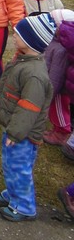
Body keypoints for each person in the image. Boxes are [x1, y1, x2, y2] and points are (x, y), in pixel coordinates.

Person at [0, 14, 56, 221]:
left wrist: (16, 133)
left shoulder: (34, 75)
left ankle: (25, 206)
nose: (14, 36)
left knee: (19, 167)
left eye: (18, 34)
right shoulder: (23, 60)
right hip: (15, 129)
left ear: (30, 41)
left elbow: (29, 108)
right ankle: (13, 194)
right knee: (10, 164)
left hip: (23, 135)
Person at [43, 9, 74, 145]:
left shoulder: (61, 48)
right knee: (55, 111)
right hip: (53, 84)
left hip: (58, 89)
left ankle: (62, 132)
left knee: (60, 111)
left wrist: (51, 90)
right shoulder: (55, 41)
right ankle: (56, 130)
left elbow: (57, 73)